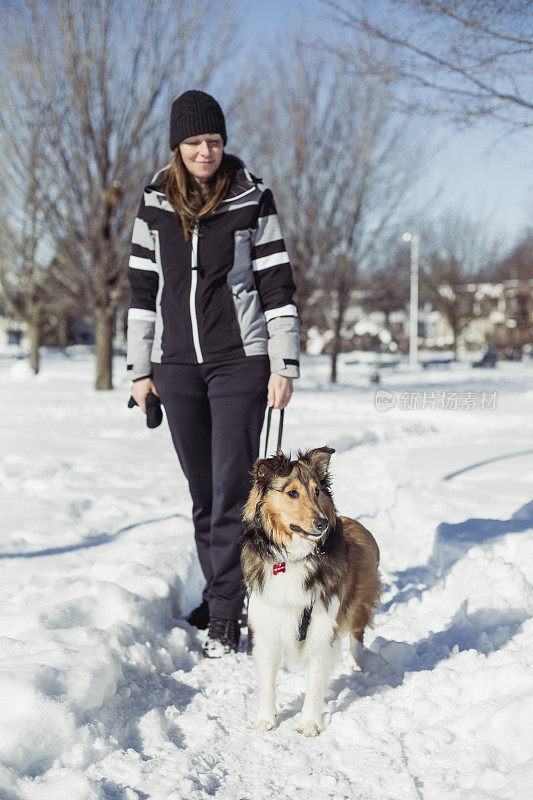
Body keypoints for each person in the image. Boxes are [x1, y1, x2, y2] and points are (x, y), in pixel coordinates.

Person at [126, 90, 300, 657]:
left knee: (231, 493)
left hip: (240, 363)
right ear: (177, 146)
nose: (206, 151)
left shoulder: (253, 198)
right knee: (203, 495)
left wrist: (284, 362)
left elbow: (276, 283)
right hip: (176, 367)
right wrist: (139, 370)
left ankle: (226, 612)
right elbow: (142, 293)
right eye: (195, 141)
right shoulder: (154, 204)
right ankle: (222, 588)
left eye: (215, 141)